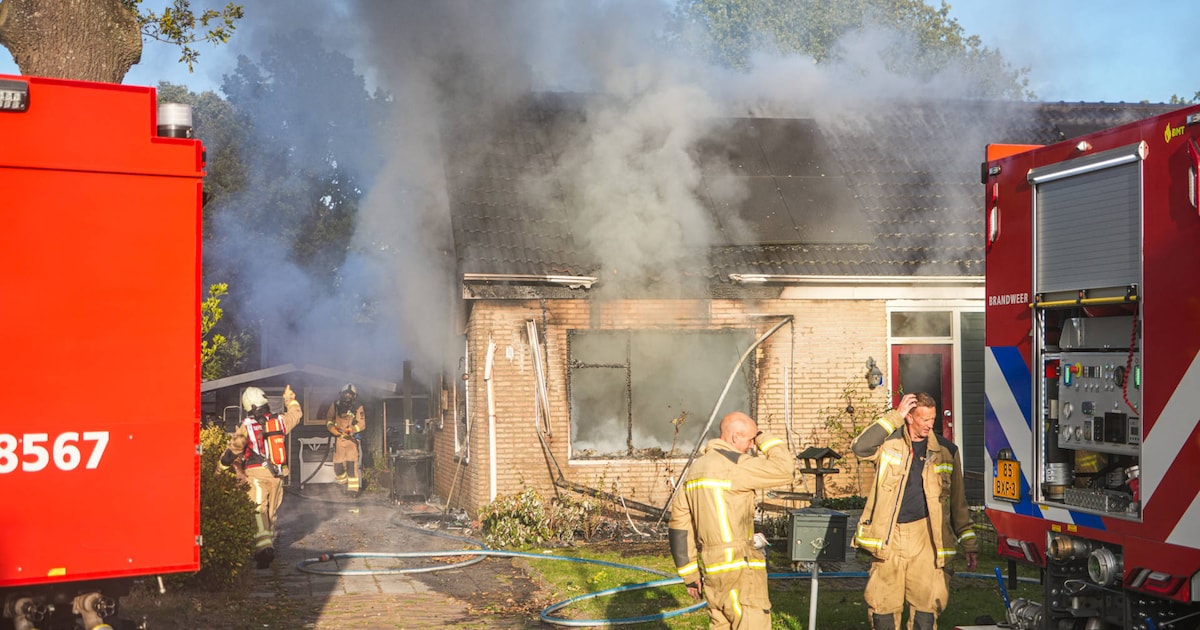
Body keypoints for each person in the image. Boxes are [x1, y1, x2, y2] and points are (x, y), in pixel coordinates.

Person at [851, 392, 977, 630]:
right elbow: (860, 447)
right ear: (909, 417)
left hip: (927, 537)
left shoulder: (946, 450)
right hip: (890, 537)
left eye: (933, 418)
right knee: (883, 606)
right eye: (924, 419)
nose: (930, 424)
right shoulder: (888, 444)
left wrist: (969, 544)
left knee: (925, 609)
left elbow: (958, 503)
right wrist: (893, 417)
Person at [668, 411, 798, 629]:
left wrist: (690, 575)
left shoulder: (695, 470)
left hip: (712, 570)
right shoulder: (736, 466)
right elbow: (785, 470)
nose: (751, 446)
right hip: (740, 569)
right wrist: (764, 437)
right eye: (750, 439)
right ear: (735, 436)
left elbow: (680, 526)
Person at [219, 384, 303, 568]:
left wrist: (220, 468)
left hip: (256, 474)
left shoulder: (246, 426)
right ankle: (267, 546)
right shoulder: (279, 421)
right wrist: (290, 398)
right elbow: (296, 414)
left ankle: (264, 549)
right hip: (278, 476)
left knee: (258, 510)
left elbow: (232, 452)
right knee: (271, 513)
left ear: (248, 405)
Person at [325, 383, 365, 495]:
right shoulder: (336, 405)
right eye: (346, 394)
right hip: (339, 439)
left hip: (351, 441)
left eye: (350, 394)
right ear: (341, 394)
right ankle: (343, 483)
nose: (348, 396)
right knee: (338, 466)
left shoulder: (358, 407)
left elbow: (362, 424)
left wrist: (351, 429)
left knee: (351, 465)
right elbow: (329, 418)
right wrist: (331, 428)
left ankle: (353, 491)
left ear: (354, 396)